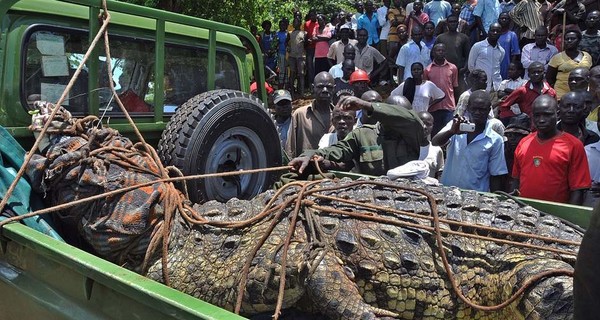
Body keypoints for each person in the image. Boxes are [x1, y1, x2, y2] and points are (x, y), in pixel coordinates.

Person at [289, 95, 429, 176]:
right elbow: (337, 150)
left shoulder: (413, 133)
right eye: (393, 117)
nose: (399, 122)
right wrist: (310, 154)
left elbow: (411, 119)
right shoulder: (363, 134)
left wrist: (367, 105)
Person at [511, 95, 591, 205]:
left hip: (556, 216)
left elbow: (578, 189)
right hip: (525, 213)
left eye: (547, 115)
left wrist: (569, 217)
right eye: (537, 115)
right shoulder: (524, 142)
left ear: (557, 114)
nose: (542, 120)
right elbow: (516, 179)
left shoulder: (574, 145)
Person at [432, 90, 507, 192]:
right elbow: (435, 142)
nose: (477, 113)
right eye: (474, 109)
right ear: (468, 108)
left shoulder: (495, 140)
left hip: (476, 196)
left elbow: (496, 175)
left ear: (489, 110)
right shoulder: (455, 126)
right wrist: (451, 132)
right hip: (447, 192)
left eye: (482, 110)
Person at [286, 72, 335, 158]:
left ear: (334, 89)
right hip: (306, 169)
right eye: (320, 87)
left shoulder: (341, 117)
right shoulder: (300, 114)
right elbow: (290, 149)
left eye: (329, 87)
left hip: (334, 169)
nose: (325, 90)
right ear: (313, 88)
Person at [497, 62, 556, 126]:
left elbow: (555, 110)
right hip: (528, 128)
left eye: (539, 72)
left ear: (544, 73)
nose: (536, 74)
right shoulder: (522, 91)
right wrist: (515, 118)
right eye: (533, 72)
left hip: (547, 127)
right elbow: (504, 106)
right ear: (528, 75)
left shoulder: (551, 92)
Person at [546, 29, 593, 98]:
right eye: (567, 39)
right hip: (562, 93)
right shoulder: (557, 58)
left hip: (583, 92)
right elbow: (549, 78)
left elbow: (591, 74)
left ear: (579, 40)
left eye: (572, 39)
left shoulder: (587, 56)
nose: (569, 41)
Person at [424, 43, 459, 134]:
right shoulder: (428, 70)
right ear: (434, 53)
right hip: (433, 107)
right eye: (438, 50)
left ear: (445, 53)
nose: (440, 52)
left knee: (448, 132)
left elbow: (455, 87)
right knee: (435, 133)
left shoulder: (453, 68)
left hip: (449, 106)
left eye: (442, 50)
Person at [435, 14, 471, 100]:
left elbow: (468, 55)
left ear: (458, 23)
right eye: (450, 22)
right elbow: (433, 54)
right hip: (443, 71)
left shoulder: (463, 37)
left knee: (458, 95)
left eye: (455, 22)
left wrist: (465, 68)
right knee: (443, 94)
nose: (453, 24)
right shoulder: (440, 37)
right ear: (447, 23)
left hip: (459, 72)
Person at [468, 23, 505, 92]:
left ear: (501, 33)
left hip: (496, 87)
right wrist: (478, 80)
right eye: (493, 30)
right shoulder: (477, 46)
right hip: (480, 87)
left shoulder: (501, 51)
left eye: (497, 31)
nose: (495, 33)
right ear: (488, 31)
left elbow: (498, 65)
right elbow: (471, 66)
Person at [502, 114, 532, 192]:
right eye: (509, 135)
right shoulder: (502, 149)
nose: (512, 138)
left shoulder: (532, 151)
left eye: (518, 135)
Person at [418, 111, 445, 179]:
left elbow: (439, 173)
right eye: (421, 123)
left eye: (428, 124)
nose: (424, 127)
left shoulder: (436, 149)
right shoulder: (405, 146)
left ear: (432, 126)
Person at [498, 12, 521, 80]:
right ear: (498, 20)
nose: (504, 20)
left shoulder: (512, 35)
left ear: (510, 21)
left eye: (506, 18)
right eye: (502, 18)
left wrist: (510, 69)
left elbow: (515, 53)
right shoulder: (494, 33)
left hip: (506, 65)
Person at [288, 17, 307, 97]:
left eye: (297, 22)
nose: (295, 23)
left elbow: (306, 44)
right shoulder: (290, 33)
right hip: (292, 56)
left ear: (300, 23)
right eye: (294, 22)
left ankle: (302, 93)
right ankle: (292, 92)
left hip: (300, 56)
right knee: (292, 74)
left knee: (301, 74)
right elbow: (287, 42)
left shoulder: (304, 33)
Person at [305, 10, 319, 87]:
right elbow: (305, 36)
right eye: (311, 15)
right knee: (310, 66)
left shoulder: (319, 23)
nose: (312, 17)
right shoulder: (307, 24)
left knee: (316, 65)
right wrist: (308, 40)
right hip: (310, 48)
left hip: (318, 47)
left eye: (314, 15)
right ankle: (311, 84)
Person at [276, 18, 289, 89]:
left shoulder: (288, 33)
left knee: (287, 70)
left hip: (287, 53)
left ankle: (287, 86)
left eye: (283, 25)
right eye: (281, 25)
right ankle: (280, 86)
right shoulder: (277, 34)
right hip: (280, 53)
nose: (282, 26)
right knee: (281, 70)